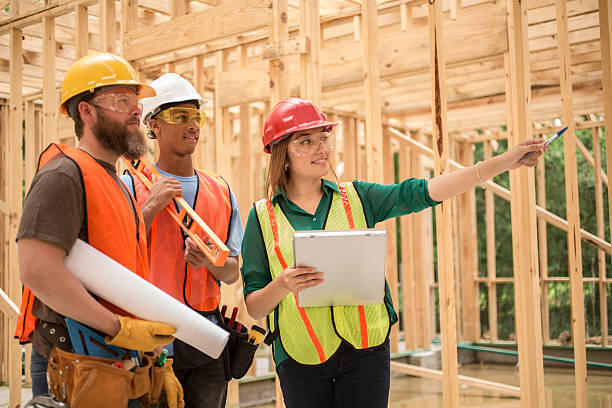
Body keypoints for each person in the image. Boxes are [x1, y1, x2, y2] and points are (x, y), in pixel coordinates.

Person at [240, 97, 548, 408]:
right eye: (305, 141)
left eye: (324, 138)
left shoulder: (358, 198)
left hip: (367, 351)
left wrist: (505, 161)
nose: (321, 149)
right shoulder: (262, 217)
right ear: (283, 155)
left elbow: (425, 192)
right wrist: (283, 284)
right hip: (300, 355)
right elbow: (255, 306)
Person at [15, 53, 183, 408]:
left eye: (136, 102)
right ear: (86, 112)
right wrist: (119, 328)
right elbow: (36, 269)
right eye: (123, 101)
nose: (137, 111)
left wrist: (155, 356)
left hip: (114, 359)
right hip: (77, 361)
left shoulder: (116, 183)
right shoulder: (64, 175)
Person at [120, 73, 244, 408]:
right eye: (180, 116)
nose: (192, 125)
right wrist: (151, 207)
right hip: (154, 343)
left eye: (196, 117)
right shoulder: (131, 186)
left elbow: (232, 272)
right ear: (154, 126)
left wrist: (209, 261)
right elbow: (115, 254)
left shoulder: (221, 190)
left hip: (206, 342)